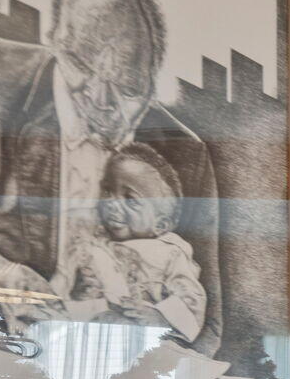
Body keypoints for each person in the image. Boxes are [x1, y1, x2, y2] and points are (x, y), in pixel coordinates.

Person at [0, 0, 221, 350]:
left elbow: (208, 331)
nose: (102, 102)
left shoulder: (184, 154)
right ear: (55, 42)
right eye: (83, 66)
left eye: (128, 86)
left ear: (153, 81)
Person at [53, 143, 207, 341]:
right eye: (108, 191)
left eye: (130, 199)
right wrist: (79, 293)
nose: (111, 203)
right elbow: (60, 295)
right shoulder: (89, 245)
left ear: (160, 225)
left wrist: (161, 318)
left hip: (145, 340)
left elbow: (191, 298)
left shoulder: (170, 252)